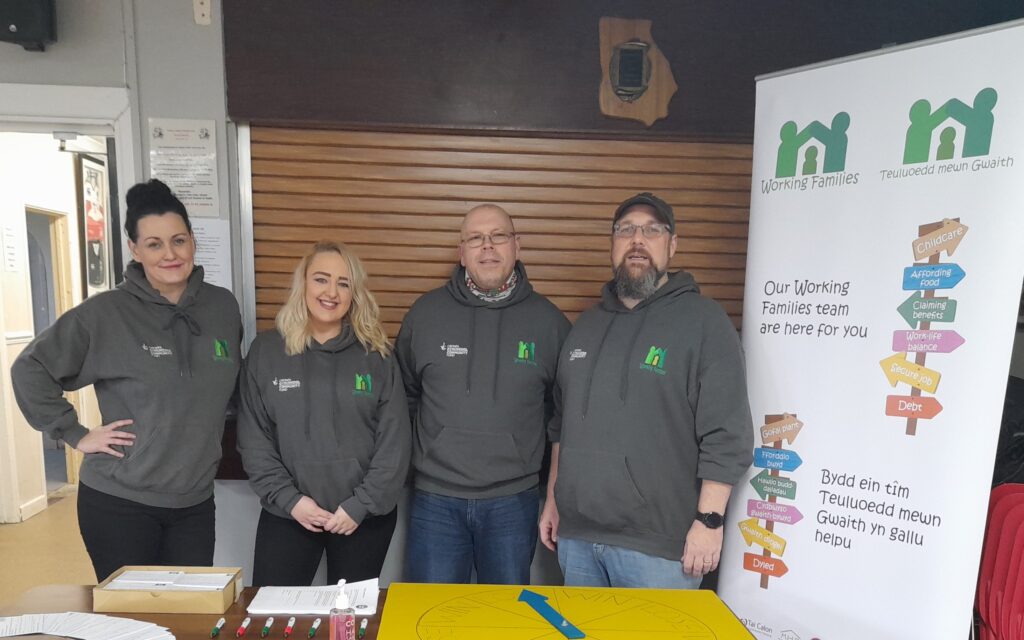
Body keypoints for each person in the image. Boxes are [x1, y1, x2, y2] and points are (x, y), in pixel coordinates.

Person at [12, 179, 241, 582]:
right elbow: (30, 368)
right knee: (130, 614)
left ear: (192, 241)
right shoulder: (106, 313)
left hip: (194, 502)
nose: (170, 254)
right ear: (135, 249)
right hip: (119, 501)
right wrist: (75, 433)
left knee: (188, 611)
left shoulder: (221, 306)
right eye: (154, 244)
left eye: (179, 240)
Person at [540, 192, 754, 588]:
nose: (637, 239)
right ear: (612, 243)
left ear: (672, 245)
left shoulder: (704, 322)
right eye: (626, 230)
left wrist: (709, 521)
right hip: (579, 539)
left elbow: (728, 433)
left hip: (660, 550)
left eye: (652, 230)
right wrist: (554, 499)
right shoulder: (585, 326)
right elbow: (561, 425)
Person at [396, 204, 570, 584]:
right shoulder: (425, 315)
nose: (487, 246)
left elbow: (561, 414)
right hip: (435, 501)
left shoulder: (549, 323)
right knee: (435, 613)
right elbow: (404, 397)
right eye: (475, 238)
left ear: (517, 245)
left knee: (503, 613)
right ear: (461, 252)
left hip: (513, 502)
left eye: (498, 236)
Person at [237, 241, 411, 586]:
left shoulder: (377, 356)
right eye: (321, 279)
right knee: (274, 612)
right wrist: (291, 501)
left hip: (362, 518)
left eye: (343, 283)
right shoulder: (266, 352)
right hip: (288, 513)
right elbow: (254, 439)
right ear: (303, 283)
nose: (331, 292)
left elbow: (395, 443)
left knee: (349, 617)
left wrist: (360, 505)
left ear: (354, 293)